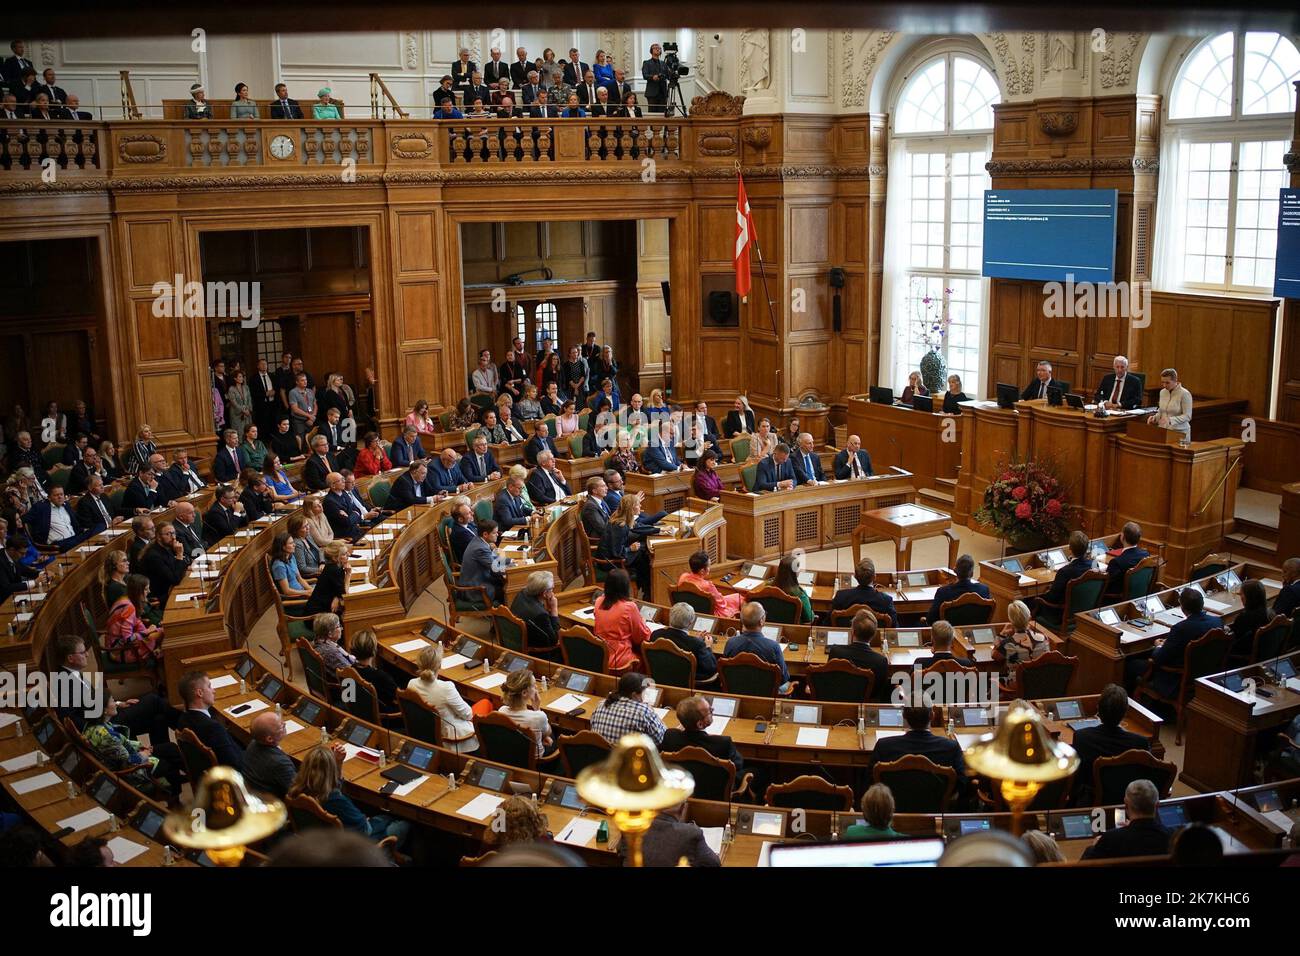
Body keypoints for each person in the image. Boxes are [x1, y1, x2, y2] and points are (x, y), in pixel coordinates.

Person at [288, 744, 410, 849]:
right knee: (402, 823)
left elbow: (331, 786)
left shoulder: (297, 789)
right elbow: (365, 830)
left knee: (383, 818)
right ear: (331, 771)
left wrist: (338, 762)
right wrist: (369, 819)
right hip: (352, 845)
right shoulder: (335, 799)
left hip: (318, 842)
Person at [1126, 585, 1223, 696]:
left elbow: (1158, 659)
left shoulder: (1180, 628)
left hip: (1175, 680)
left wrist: (1158, 646)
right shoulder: (1217, 622)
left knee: (1131, 663)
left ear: (1182, 607)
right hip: (1204, 674)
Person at [84, 694, 183, 796]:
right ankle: (179, 794)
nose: (116, 704)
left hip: (130, 757)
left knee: (169, 745)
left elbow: (124, 745)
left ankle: (194, 778)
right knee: (170, 759)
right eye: (113, 702)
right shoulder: (106, 736)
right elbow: (129, 762)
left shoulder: (93, 726)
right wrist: (144, 754)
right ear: (104, 710)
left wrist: (144, 748)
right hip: (135, 771)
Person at [1070, 683, 1151, 805]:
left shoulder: (1082, 737)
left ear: (1098, 710)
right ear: (1125, 713)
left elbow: (1077, 776)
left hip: (1091, 802)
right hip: (1127, 803)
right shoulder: (1140, 743)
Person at [871, 705, 968, 801]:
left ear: (904, 715)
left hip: (892, 809)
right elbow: (962, 783)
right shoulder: (951, 747)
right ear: (932, 716)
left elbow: (870, 780)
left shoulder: (883, 746)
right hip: (935, 809)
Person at [408, 644, 477, 753]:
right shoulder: (446, 687)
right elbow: (468, 714)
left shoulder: (411, 684)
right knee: (485, 704)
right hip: (452, 739)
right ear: (439, 665)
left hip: (425, 732)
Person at [1081, 780, 1170, 860]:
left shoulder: (1110, 839)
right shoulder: (1174, 837)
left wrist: (1093, 847)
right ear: (1157, 805)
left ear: (1126, 805)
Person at [177, 670, 244, 769]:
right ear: (200, 693)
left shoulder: (182, 720)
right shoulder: (213, 727)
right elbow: (235, 764)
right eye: (209, 686)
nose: (214, 690)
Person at [722, 602, 791, 692]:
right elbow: (783, 678)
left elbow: (726, 672)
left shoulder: (730, 643)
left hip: (737, 690)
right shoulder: (773, 647)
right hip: (766, 694)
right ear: (761, 621)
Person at [827, 609, 892, 703]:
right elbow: (878, 692)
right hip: (865, 706)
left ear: (852, 632)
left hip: (837, 701)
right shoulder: (881, 661)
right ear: (873, 635)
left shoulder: (835, 652)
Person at [593, 569, 652, 670]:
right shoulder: (629, 607)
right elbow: (642, 637)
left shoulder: (599, 601)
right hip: (620, 659)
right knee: (648, 661)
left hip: (601, 656)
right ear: (625, 587)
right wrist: (643, 622)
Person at [590, 672, 666, 745]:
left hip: (601, 755)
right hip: (628, 757)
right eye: (644, 693)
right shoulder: (643, 711)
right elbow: (660, 739)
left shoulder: (601, 704)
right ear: (634, 694)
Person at [598, 496, 651, 595]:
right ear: (631, 508)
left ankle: (646, 588)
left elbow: (638, 527)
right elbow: (617, 552)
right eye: (638, 504)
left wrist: (660, 530)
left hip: (612, 556)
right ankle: (646, 589)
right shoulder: (620, 526)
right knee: (645, 556)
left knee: (644, 552)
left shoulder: (620, 518)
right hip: (609, 562)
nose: (640, 506)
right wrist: (630, 548)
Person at [105, 573, 163, 663]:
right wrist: (147, 632)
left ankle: (159, 653)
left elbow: (136, 622)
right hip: (120, 651)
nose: (149, 591)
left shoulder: (125, 598)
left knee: (161, 631)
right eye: (146, 589)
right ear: (138, 591)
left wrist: (149, 630)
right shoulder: (129, 607)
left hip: (115, 644)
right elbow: (128, 639)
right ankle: (160, 658)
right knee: (164, 632)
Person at [1035, 530, 1096, 614]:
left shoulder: (1064, 572)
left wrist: (1045, 593)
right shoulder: (1094, 566)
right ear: (1087, 548)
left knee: (1031, 600)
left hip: (1060, 615)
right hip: (1086, 613)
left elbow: (1052, 598)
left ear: (1070, 548)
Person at [497, 669, 556, 756]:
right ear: (524, 693)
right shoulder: (538, 717)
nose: (536, 687)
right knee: (553, 735)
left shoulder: (501, 711)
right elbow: (548, 732)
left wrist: (542, 737)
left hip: (512, 756)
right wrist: (537, 708)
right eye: (533, 685)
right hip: (538, 763)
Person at [655, 603, 718, 682]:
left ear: (669, 617)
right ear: (690, 623)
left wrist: (696, 640)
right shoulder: (697, 644)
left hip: (660, 677)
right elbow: (711, 667)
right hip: (686, 682)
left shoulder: (656, 634)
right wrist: (708, 647)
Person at [243, 712, 298, 798]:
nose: (285, 724)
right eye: (281, 726)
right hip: (271, 804)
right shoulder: (280, 762)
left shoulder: (253, 743)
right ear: (269, 739)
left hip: (253, 794)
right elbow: (296, 792)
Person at [678, 550, 742, 618]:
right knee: (740, 598)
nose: (709, 568)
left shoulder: (683, 577)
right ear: (702, 571)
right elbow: (722, 604)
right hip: (709, 614)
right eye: (709, 566)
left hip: (688, 611)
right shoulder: (707, 586)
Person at [927, 554, 990, 622]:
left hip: (950, 632)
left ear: (955, 570)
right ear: (972, 573)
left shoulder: (943, 592)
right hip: (974, 631)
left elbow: (931, 620)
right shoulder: (984, 590)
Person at [139, 521, 189, 605]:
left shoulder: (167, 548)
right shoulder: (154, 556)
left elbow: (180, 568)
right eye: (168, 534)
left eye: (174, 533)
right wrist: (179, 555)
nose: (173, 537)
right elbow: (175, 579)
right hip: (161, 598)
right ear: (158, 537)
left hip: (171, 590)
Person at [996, 600, 1051, 676]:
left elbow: (995, 656)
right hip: (1040, 682)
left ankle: (983, 687)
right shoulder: (1044, 639)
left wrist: (1002, 634)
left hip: (1017, 684)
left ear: (1011, 621)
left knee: (986, 676)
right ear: (1029, 618)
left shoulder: (1008, 643)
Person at [510, 570, 561, 652]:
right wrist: (554, 609)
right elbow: (554, 640)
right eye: (552, 589)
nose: (553, 592)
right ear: (544, 593)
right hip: (537, 651)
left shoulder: (522, 593)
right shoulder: (540, 614)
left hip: (516, 638)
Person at [460, 519, 505, 605]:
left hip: (480, 579)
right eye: (494, 533)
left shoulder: (479, 541)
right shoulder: (480, 548)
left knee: (503, 582)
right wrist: (512, 566)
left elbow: (492, 558)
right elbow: (497, 570)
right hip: (475, 589)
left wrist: (510, 561)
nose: (497, 535)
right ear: (485, 534)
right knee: (508, 589)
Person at [1227, 579, 1272, 659]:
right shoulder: (1271, 613)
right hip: (1267, 654)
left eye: (1241, 594)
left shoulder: (1245, 617)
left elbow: (1232, 640)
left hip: (1242, 657)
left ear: (1249, 597)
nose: (1240, 597)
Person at [303, 542, 349, 617]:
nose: (348, 555)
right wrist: (348, 574)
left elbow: (339, 590)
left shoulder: (336, 567)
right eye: (344, 554)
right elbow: (345, 595)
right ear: (335, 558)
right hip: (317, 617)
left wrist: (337, 597)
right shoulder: (334, 570)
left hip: (324, 610)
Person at [1105, 521, 1149, 596]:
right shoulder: (1146, 555)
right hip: (1140, 596)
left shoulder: (1116, 562)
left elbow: (1106, 586)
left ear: (1122, 537)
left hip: (1117, 601)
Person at [1148, 368, 1192, 440]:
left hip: (1180, 432)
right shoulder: (1162, 392)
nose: (1164, 385)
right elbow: (1161, 411)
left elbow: (1187, 416)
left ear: (1175, 380)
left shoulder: (1184, 394)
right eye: (1162, 382)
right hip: (1164, 430)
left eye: (1167, 383)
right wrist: (1155, 418)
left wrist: (1170, 420)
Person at [773, 553, 814, 624]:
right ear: (794, 572)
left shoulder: (768, 587)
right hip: (793, 630)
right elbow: (809, 618)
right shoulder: (799, 594)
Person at [641, 43, 668, 113]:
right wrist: (653, 77)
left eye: (659, 48)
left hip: (663, 92)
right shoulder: (646, 63)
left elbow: (667, 75)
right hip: (652, 92)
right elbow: (645, 75)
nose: (657, 49)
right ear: (651, 51)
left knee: (663, 113)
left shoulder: (663, 63)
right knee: (652, 113)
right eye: (655, 48)